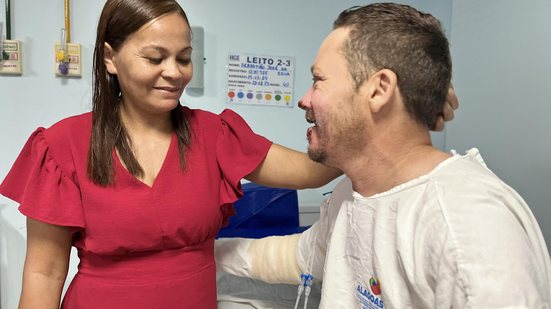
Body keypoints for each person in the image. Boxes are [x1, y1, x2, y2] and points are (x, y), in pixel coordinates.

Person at [215, 3, 551, 309]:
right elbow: (300, 257)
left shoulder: (467, 227)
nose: (304, 99)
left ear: (379, 89)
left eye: (318, 80)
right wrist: (199, 255)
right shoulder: (353, 195)